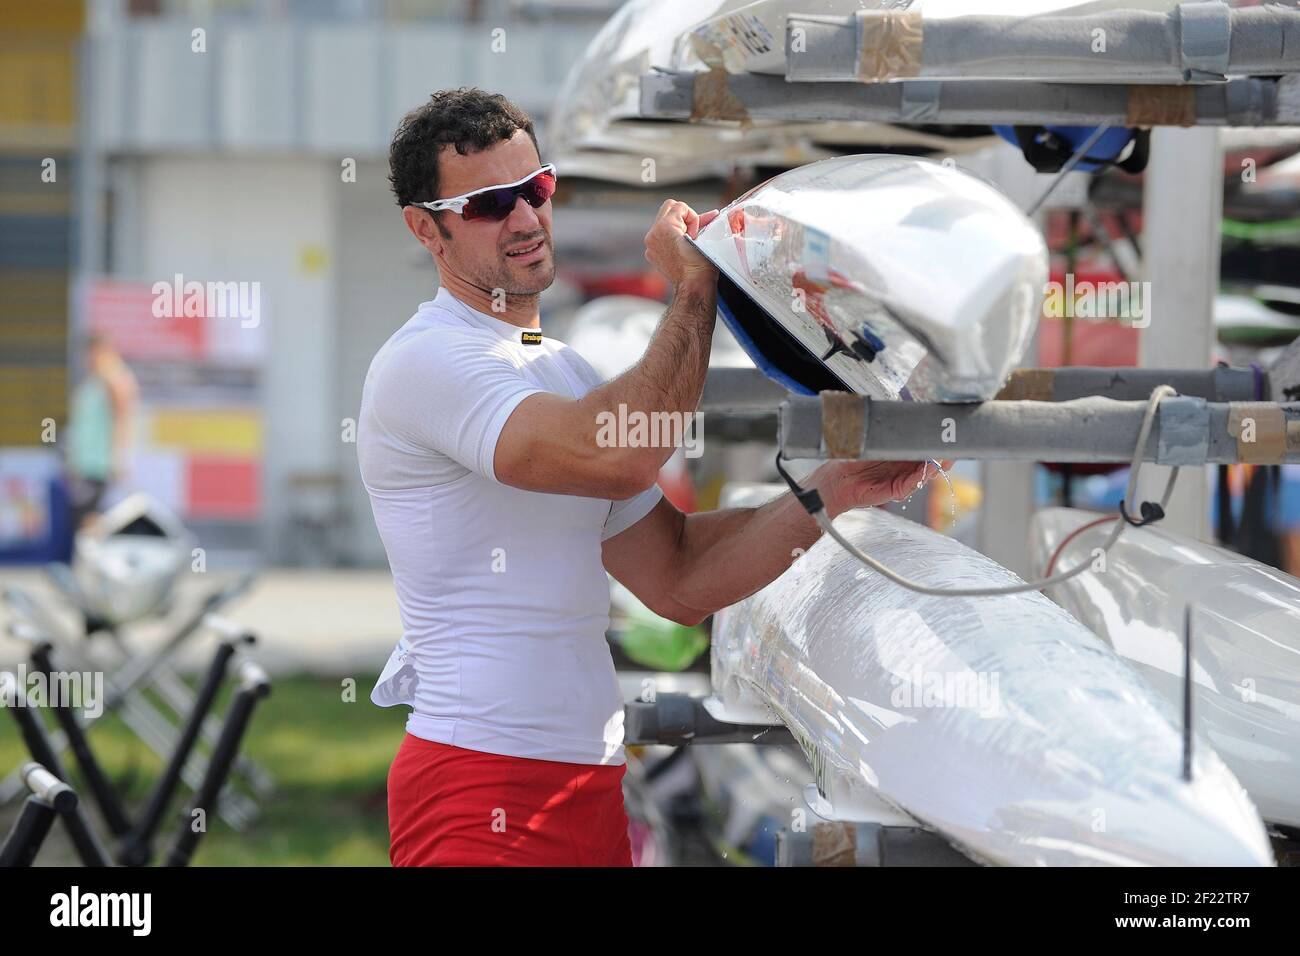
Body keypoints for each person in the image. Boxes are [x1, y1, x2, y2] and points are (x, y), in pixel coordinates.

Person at [360, 87, 945, 866]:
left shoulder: (558, 369)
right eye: (491, 203)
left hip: (589, 783)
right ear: (425, 229)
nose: (528, 219)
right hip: (479, 785)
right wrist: (694, 287)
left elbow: (678, 578)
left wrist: (829, 491)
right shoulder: (424, 361)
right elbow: (622, 454)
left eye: (537, 188)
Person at [65, 334, 137, 530]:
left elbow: (122, 417)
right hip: (86, 463)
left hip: (100, 463)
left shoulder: (113, 377)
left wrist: (119, 457)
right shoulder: (92, 381)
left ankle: (93, 558)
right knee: (82, 515)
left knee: (90, 517)